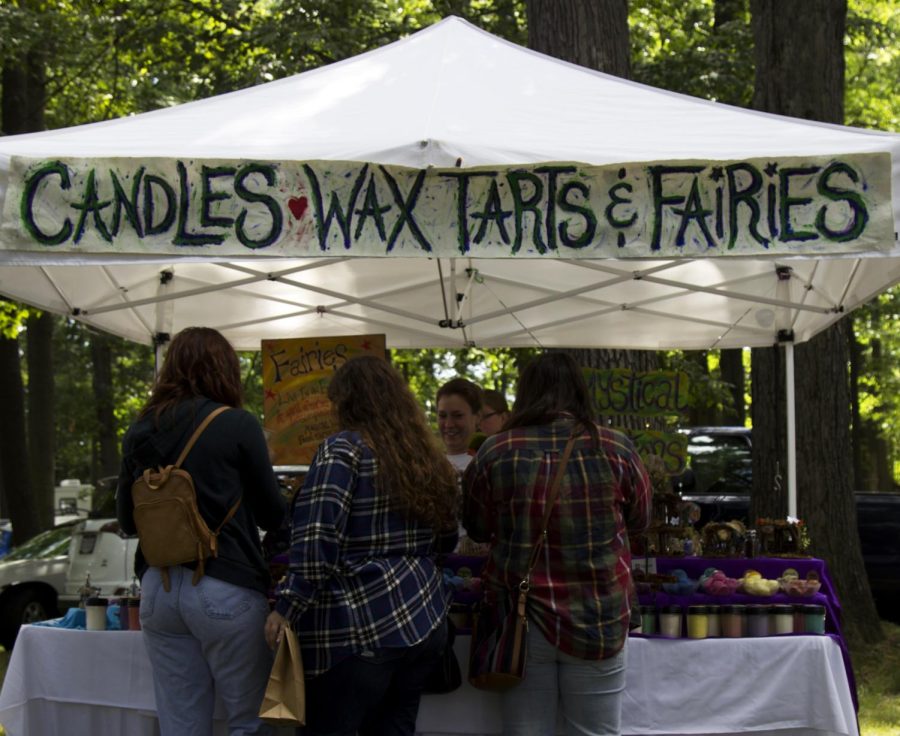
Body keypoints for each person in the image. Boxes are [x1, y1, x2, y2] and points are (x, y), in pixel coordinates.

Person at [264, 355, 459, 736]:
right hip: (423, 620)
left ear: (346, 402)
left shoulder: (342, 450)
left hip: (357, 629)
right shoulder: (425, 456)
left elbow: (316, 543)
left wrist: (286, 607)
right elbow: (446, 540)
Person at [463, 353, 652, 736]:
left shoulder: (495, 451)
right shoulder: (616, 448)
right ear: (579, 391)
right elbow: (641, 521)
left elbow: (478, 528)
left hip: (522, 621)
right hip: (599, 616)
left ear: (524, 394)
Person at [116, 326, 286, 736]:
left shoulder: (139, 431)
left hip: (158, 590)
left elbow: (126, 521)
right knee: (251, 722)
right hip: (225, 583)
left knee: (181, 725)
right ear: (223, 369)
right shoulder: (237, 425)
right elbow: (273, 515)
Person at [436, 377, 482, 473]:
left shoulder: (485, 463)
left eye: (457, 416)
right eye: (442, 416)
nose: (448, 424)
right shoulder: (427, 464)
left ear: (477, 417)